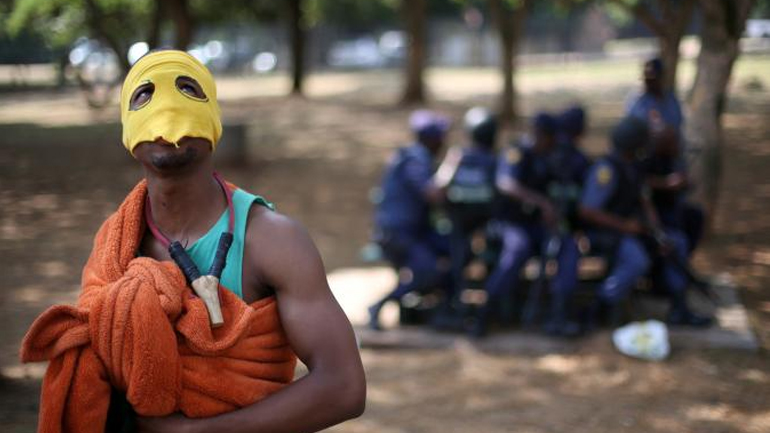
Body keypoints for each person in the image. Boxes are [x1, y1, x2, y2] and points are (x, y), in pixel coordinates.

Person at [23, 50, 366, 433]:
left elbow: (343, 387)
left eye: (187, 89)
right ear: (128, 131)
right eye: (144, 95)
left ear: (213, 120)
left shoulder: (274, 240)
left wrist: (193, 432)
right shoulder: (115, 242)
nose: (167, 106)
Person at [578, 116, 711, 327]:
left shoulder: (634, 167)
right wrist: (624, 226)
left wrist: (658, 232)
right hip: (605, 234)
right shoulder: (606, 170)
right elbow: (587, 211)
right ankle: (600, 306)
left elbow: (644, 200)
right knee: (636, 260)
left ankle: (679, 308)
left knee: (675, 242)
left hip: (631, 231)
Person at [469, 113, 581, 337]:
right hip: (507, 223)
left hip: (536, 226)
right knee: (518, 249)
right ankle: (484, 314)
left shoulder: (552, 157)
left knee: (568, 246)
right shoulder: (516, 152)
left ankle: (559, 315)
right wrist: (540, 202)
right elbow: (506, 184)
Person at [368, 110, 455, 331]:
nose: (444, 142)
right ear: (431, 139)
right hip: (398, 234)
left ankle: (442, 311)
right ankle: (378, 306)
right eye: (441, 137)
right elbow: (433, 194)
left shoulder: (412, 156)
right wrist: (451, 165)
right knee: (430, 270)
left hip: (413, 231)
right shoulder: (415, 159)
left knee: (454, 249)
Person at [435, 107, 499, 328]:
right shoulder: (486, 159)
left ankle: (458, 307)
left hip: (478, 229)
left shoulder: (466, 158)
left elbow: (439, 188)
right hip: (464, 228)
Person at [643, 127, 705, 254]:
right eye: (673, 142)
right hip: (655, 208)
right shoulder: (647, 159)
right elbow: (641, 181)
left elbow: (685, 182)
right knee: (676, 232)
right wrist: (666, 183)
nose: (676, 146)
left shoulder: (673, 159)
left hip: (673, 204)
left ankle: (684, 256)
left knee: (696, 215)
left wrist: (685, 183)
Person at [626, 57, 684, 136]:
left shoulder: (670, 99)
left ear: (661, 78)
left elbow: (676, 124)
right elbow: (634, 126)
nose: (649, 82)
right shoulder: (637, 101)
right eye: (646, 78)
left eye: (653, 79)